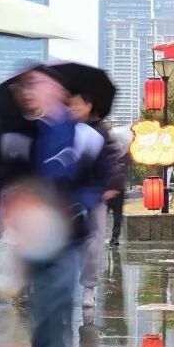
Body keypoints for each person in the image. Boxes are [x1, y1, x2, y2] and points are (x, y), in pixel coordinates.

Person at [12, 65, 103, 347]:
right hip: (32, 234)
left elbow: (99, 179)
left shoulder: (85, 136)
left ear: (58, 91)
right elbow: (9, 176)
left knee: (57, 303)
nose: (30, 90)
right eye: (28, 85)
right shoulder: (24, 133)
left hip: (67, 233)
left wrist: (80, 203)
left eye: (38, 83)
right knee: (40, 312)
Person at [68, 92, 123, 309]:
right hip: (69, 194)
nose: (74, 109)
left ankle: (88, 287)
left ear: (89, 106)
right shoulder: (64, 129)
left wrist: (112, 185)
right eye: (70, 106)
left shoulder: (101, 130)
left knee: (95, 241)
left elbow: (112, 160)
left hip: (95, 194)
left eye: (77, 105)